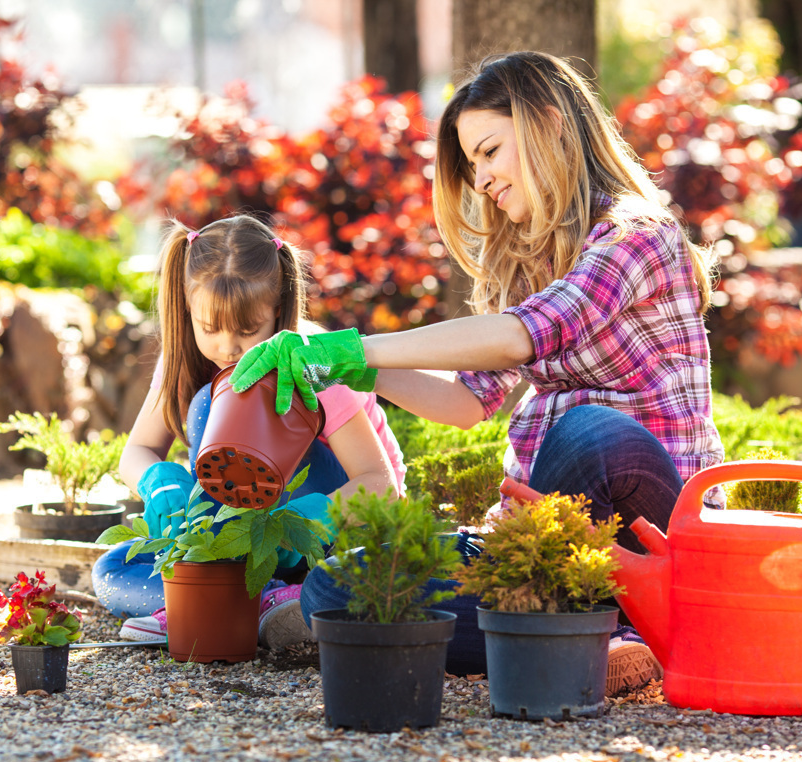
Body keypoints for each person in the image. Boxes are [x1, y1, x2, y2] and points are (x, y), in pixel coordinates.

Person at [229, 52, 725, 691]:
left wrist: (362, 348)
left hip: (653, 527)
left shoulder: (636, 236)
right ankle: (569, 628)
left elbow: (525, 335)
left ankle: (622, 623)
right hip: (538, 541)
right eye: (471, 163)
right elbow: (466, 401)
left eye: (490, 151)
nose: (482, 177)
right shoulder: (529, 257)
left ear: (547, 123)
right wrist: (348, 369)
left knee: (587, 433)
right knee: (338, 586)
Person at [93, 214, 406, 650]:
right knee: (110, 570)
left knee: (214, 402)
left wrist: (312, 519)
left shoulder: (311, 361)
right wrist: (157, 481)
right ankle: (262, 600)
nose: (227, 347)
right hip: (242, 546)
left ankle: (231, 600)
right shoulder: (182, 360)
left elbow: (381, 484)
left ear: (277, 312)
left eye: (246, 330)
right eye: (210, 328)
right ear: (188, 309)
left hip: (335, 531)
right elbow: (139, 449)